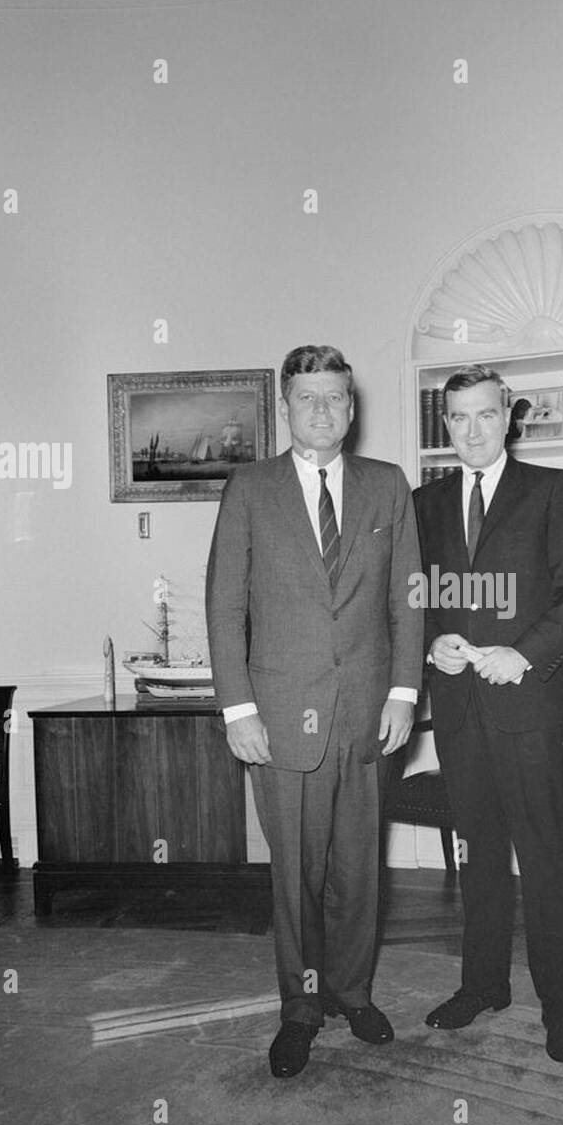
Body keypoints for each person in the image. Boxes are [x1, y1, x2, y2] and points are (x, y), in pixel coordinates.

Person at [206, 345, 423, 1078]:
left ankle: (352, 993)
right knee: (295, 875)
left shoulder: (388, 487)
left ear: (352, 408)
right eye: (308, 398)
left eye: (335, 397)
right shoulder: (249, 488)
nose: (323, 410)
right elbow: (225, 603)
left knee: (360, 870)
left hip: (367, 713)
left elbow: (407, 597)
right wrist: (237, 707)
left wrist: (403, 691)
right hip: (279, 714)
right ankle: (300, 1010)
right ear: (287, 407)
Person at [413, 364, 563, 1063]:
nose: (472, 430)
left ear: (509, 417)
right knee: (478, 858)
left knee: (544, 860)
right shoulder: (422, 502)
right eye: (458, 417)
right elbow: (415, 595)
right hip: (460, 711)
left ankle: (558, 1004)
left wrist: (523, 654)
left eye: (485, 415)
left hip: (528, 707)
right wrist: (434, 641)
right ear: (446, 424)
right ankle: (483, 984)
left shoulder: (550, 491)